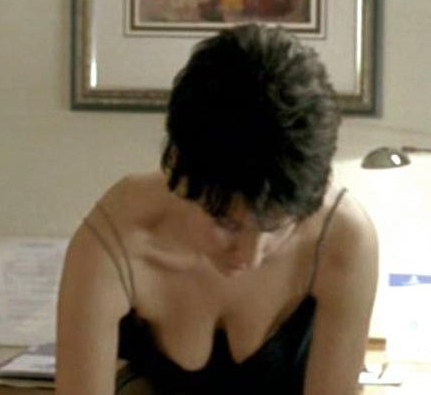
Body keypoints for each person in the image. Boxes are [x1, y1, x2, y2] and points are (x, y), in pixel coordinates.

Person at [55, 24, 378, 395]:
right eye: (227, 223)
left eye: (276, 227)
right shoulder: (115, 237)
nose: (251, 256)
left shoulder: (342, 238)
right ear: (178, 172)